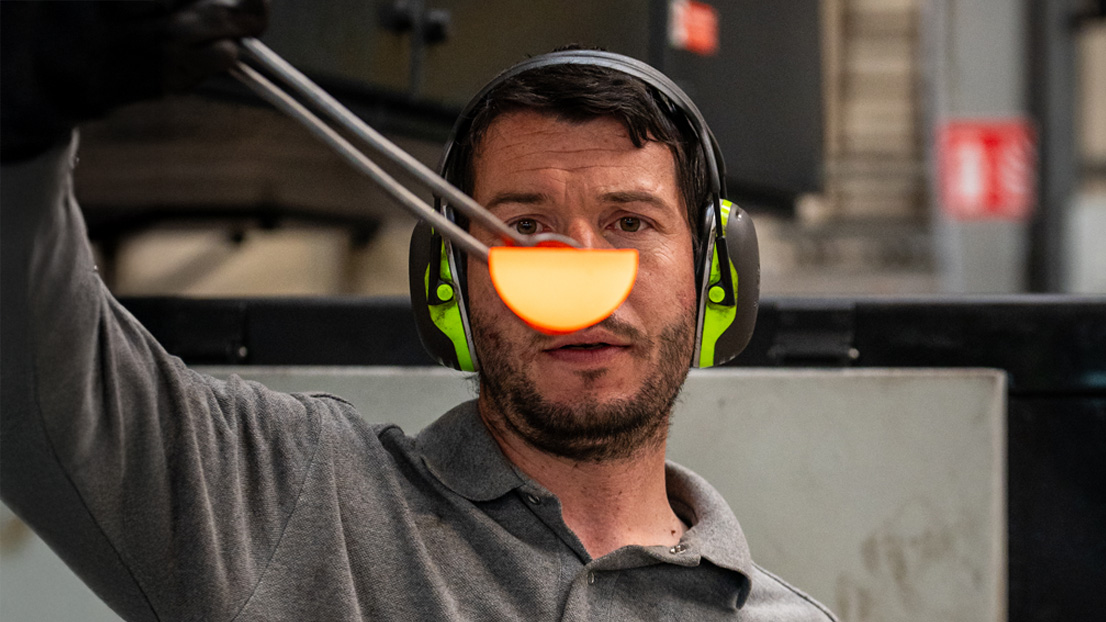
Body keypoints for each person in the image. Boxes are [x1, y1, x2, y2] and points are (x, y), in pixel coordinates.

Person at [1, 1, 836, 620]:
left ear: (716, 277)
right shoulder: (287, 496)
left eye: (629, 224)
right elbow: (36, 385)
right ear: (451, 285)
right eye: (525, 229)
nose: (580, 279)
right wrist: (22, 114)